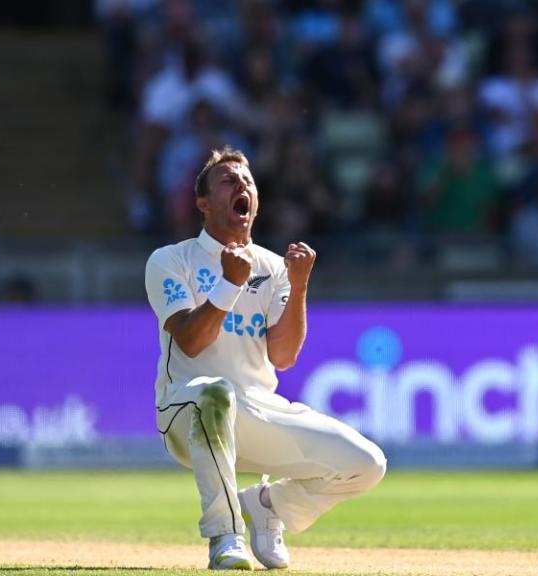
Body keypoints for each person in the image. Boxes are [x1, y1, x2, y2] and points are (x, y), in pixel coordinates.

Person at [144, 148, 386, 570]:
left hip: (258, 408)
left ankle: (266, 505)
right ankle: (225, 536)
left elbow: (284, 355)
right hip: (187, 409)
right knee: (214, 393)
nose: (242, 185)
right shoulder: (170, 260)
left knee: (367, 465)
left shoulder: (274, 268)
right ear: (202, 203)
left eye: (247, 181)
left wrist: (299, 283)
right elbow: (190, 343)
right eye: (227, 180)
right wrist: (228, 284)